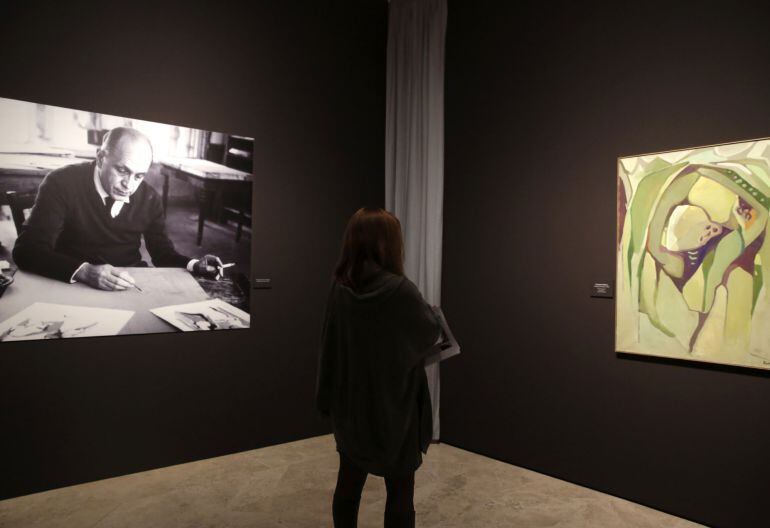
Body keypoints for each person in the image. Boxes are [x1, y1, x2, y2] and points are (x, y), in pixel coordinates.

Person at [316, 207, 442, 528]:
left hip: (352, 406)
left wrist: (327, 397)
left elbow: (329, 343)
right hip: (394, 410)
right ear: (389, 243)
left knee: (348, 484)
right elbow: (431, 335)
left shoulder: (341, 287)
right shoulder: (401, 290)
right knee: (400, 491)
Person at [12, 127, 221, 290]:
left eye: (139, 176)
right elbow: (27, 251)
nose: (129, 185)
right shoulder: (61, 182)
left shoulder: (149, 198)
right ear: (101, 158)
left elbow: (162, 254)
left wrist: (195, 264)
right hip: (71, 283)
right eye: (122, 170)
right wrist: (84, 272)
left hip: (129, 283)